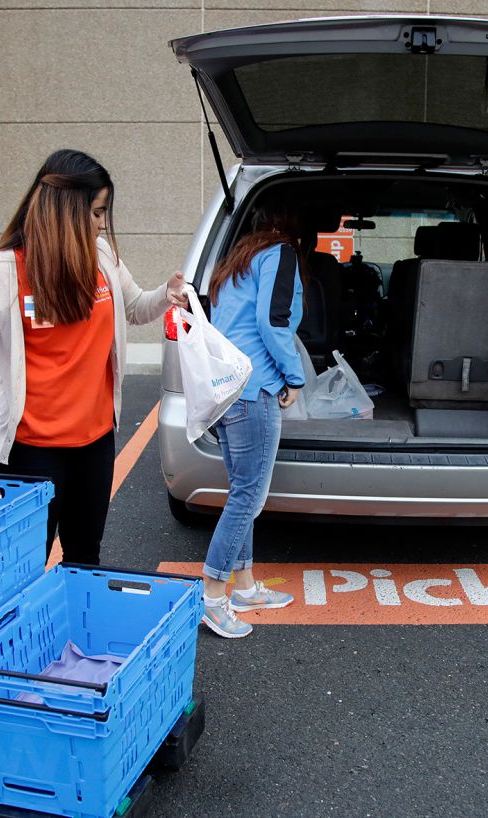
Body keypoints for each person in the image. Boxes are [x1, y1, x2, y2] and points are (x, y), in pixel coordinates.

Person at [0, 149, 188, 565]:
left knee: (85, 555)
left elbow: (135, 307)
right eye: (97, 212)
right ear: (66, 209)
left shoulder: (102, 255)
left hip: (95, 442)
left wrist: (167, 294)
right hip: (32, 451)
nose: (102, 223)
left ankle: (74, 632)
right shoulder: (3, 270)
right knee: (25, 563)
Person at [198, 205, 306, 638]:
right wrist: (294, 376)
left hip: (224, 391)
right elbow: (272, 320)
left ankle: (243, 586)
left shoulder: (233, 264)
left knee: (241, 493)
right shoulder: (279, 254)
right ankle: (212, 598)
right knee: (247, 499)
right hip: (254, 388)